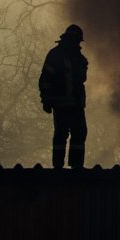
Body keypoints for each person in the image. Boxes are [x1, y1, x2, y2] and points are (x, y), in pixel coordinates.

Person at [39, 24, 88, 169]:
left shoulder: (79, 58)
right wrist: (46, 100)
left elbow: (80, 80)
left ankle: (76, 166)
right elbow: (45, 80)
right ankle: (58, 167)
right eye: (76, 40)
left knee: (79, 133)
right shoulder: (55, 55)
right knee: (61, 135)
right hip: (61, 105)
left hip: (76, 105)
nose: (78, 44)